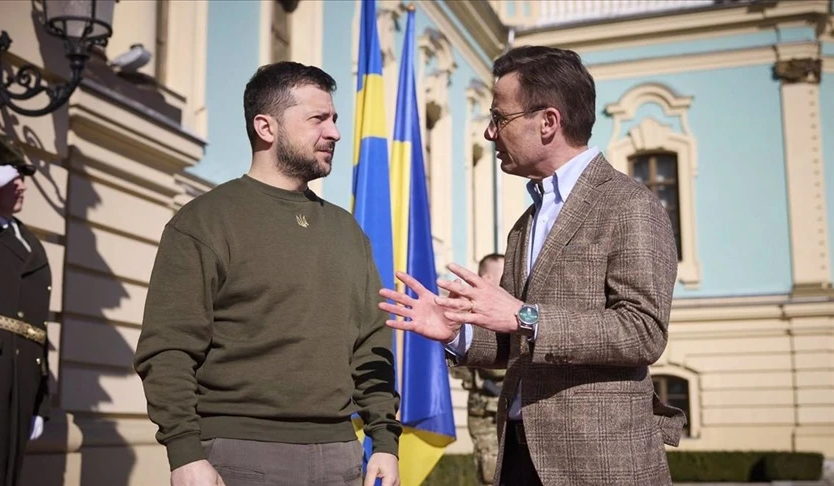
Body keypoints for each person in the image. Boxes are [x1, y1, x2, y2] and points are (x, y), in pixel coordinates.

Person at [378, 46, 686, 486]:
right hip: (519, 453)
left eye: (499, 117)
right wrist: (457, 333)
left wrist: (526, 316)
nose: (490, 132)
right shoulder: (526, 223)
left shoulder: (629, 204)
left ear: (548, 122)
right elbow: (518, 341)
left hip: (597, 464)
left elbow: (643, 332)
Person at [134, 61, 401, 486]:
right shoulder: (205, 221)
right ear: (266, 127)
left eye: (334, 119)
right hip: (238, 454)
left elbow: (372, 344)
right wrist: (184, 452)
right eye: (318, 119)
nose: (334, 132)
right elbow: (168, 348)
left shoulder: (348, 231)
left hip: (342, 455)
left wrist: (384, 440)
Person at [0, 137, 51, 486]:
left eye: (22, 178)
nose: (22, 186)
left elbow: (38, 327)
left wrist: (41, 401)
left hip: (21, 378)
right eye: (12, 177)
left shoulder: (30, 242)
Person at [461, 254, 506, 486]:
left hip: (514, 411)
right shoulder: (469, 314)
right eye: (504, 274)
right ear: (487, 278)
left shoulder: (509, 310)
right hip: (487, 412)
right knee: (492, 476)